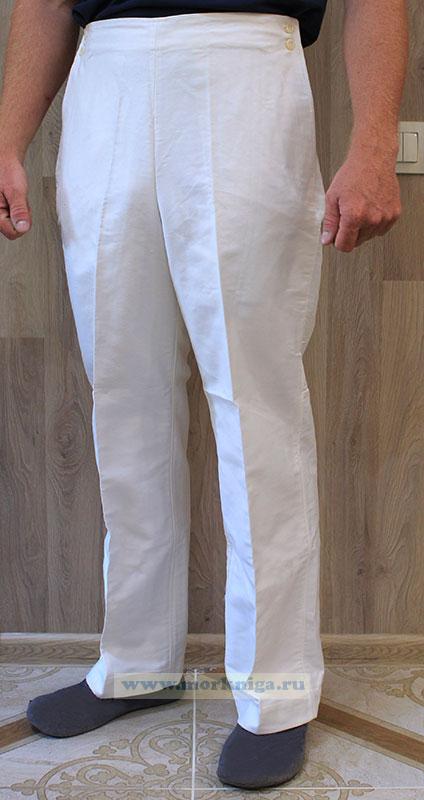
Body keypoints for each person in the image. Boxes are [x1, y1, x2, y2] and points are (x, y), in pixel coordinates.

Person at [0, 0, 407, 790]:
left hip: (245, 67)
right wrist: (9, 139)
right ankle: (136, 661)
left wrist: (374, 143)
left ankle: (277, 692)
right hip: (105, 78)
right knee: (124, 394)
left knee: (257, 402)